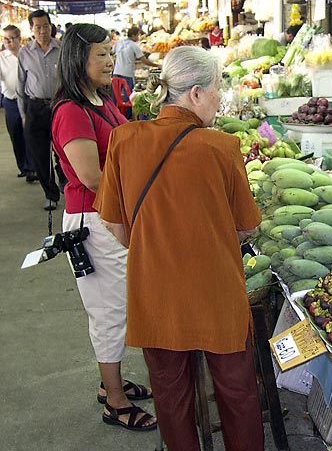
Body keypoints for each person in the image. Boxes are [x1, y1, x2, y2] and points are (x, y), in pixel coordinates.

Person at [94, 46, 264, 450]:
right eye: (217, 90)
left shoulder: (124, 139)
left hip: (155, 293)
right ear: (196, 94)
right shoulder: (222, 147)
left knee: (171, 400)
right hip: (217, 294)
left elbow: (116, 224)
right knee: (238, 396)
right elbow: (245, 229)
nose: (220, 99)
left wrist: (157, 245)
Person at [50, 23, 156, 432]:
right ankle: (114, 401)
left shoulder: (101, 97)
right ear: (79, 59)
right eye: (101, 55)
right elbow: (92, 177)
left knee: (120, 303)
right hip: (92, 220)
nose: (111, 61)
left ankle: (110, 382)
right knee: (108, 311)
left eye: (111, 53)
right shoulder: (70, 111)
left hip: (113, 215)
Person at [17, 9, 64, 210]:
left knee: (64, 151)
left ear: (51, 26)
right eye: (38, 27)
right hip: (35, 107)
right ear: (31, 29)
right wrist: (23, 114)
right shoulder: (25, 52)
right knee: (39, 154)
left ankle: (65, 182)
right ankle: (50, 194)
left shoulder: (61, 49)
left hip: (59, 106)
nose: (43, 30)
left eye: (46, 26)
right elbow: (20, 85)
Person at [0, 25, 35, 181]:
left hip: (28, 100)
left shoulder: (27, 54)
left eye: (11, 38)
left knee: (30, 133)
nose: (8, 42)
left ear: (19, 39)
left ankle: (32, 167)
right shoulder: (1, 58)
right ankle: (23, 166)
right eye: (5, 39)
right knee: (15, 134)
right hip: (10, 101)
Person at [112, 26, 159, 118]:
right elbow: (144, 61)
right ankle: (127, 117)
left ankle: (114, 115)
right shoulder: (133, 45)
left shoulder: (119, 42)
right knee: (129, 98)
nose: (139, 37)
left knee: (116, 96)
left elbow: (113, 52)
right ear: (133, 35)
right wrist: (158, 65)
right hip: (127, 74)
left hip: (116, 73)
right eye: (138, 35)